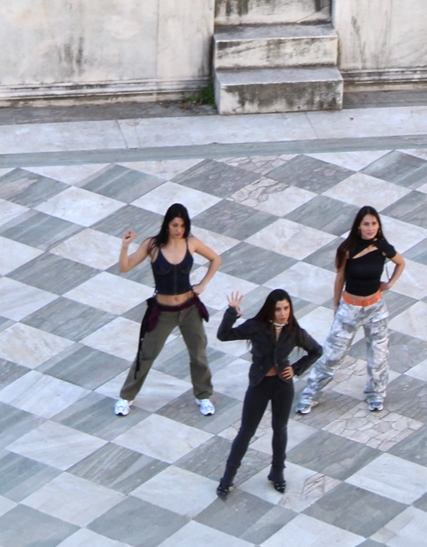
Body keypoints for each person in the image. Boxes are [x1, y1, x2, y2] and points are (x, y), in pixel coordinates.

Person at [296, 205, 405, 416]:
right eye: (366, 224)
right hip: (350, 307)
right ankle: (310, 395)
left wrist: (390, 283)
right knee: (332, 355)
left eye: (374, 224)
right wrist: (336, 304)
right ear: (358, 226)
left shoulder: (383, 247)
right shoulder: (347, 249)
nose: (370, 228)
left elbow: (401, 263)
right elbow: (340, 278)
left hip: (375, 308)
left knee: (379, 355)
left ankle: (376, 394)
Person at [114, 204, 220, 416]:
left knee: (198, 353)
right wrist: (125, 247)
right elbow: (125, 267)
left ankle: (203, 395)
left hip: (189, 309)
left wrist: (203, 284)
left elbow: (215, 259)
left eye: (182, 225)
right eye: (174, 225)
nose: (179, 230)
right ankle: (126, 396)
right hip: (163, 311)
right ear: (167, 224)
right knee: (147, 354)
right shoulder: (152, 244)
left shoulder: (191, 242)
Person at [215, 288, 322, 497]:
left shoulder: (294, 331)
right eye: (278, 309)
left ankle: (277, 473)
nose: (283, 313)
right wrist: (232, 312)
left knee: (280, 429)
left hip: (283, 385)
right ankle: (227, 478)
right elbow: (224, 335)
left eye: (286, 308)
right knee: (246, 431)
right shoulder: (257, 327)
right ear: (270, 310)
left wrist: (296, 369)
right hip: (260, 384)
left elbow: (316, 350)